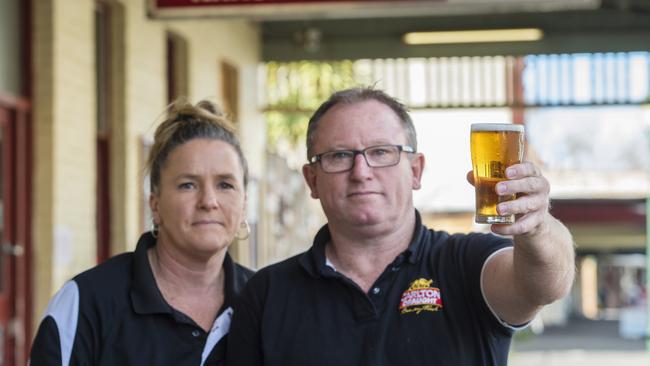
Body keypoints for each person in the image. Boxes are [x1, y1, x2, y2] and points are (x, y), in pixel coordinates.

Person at [226, 87, 575, 365]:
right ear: (312, 180)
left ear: (415, 171)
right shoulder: (266, 294)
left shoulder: (465, 265)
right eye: (339, 156)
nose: (361, 172)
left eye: (381, 152)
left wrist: (537, 228)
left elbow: (545, 286)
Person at [30, 99, 253, 365]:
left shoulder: (265, 302)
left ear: (244, 204)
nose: (209, 201)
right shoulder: (86, 304)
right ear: (155, 205)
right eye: (188, 185)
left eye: (225, 184)